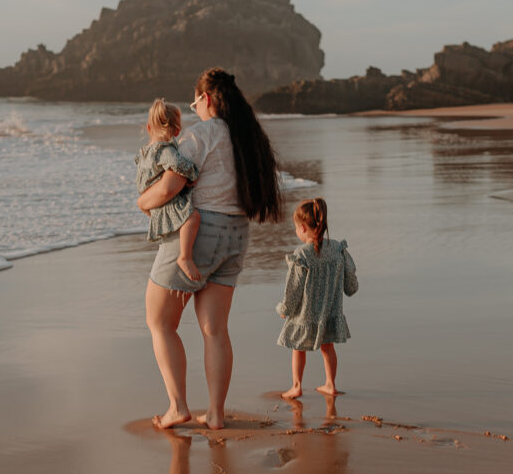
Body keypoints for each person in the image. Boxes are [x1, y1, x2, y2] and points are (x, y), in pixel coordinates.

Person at [137, 67, 281, 430]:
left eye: (195, 101)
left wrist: (143, 202)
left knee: (159, 320)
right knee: (215, 329)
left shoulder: (202, 134)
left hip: (200, 232)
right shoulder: (247, 138)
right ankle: (216, 414)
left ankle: (178, 407)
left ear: (207, 99)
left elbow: (171, 186)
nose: (194, 108)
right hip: (237, 235)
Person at [277, 197, 358, 399]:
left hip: (305, 315)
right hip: (330, 312)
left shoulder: (302, 255)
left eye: (296, 227)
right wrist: (349, 287)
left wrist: (284, 309)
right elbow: (351, 281)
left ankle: (296, 386)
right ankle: (330, 384)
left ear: (303, 227)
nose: (296, 231)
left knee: (297, 348)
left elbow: (293, 290)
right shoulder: (338, 249)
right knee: (327, 347)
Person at [135, 98, 202, 281]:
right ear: (177, 131)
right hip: (165, 198)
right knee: (193, 217)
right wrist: (192, 174)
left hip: (150, 198)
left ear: (149, 128)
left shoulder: (145, 152)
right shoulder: (164, 150)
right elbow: (177, 163)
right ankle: (185, 257)